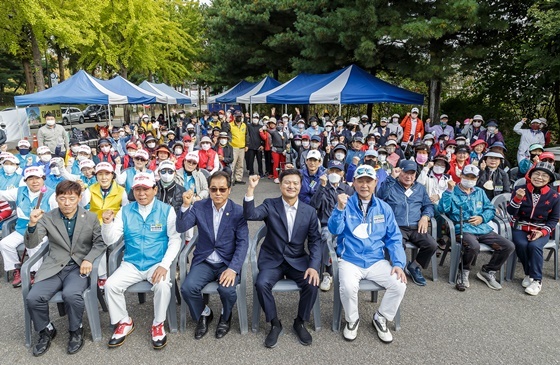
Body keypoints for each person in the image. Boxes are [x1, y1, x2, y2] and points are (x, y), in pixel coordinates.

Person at [24, 180, 106, 356]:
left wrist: (89, 259)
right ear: (56, 198)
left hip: (78, 268)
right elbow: (32, 243)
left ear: (79, 198)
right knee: (33, 297)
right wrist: (31, 224)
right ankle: (46, 329)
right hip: (54, 266)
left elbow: (99, 243)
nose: (67, 203)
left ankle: (76, 330)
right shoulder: (48, 217)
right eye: (62, 199)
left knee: (71, 295)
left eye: (71, 198)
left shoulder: (90, 217)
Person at [102, 172, 181, 350]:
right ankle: (124, 321)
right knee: (110, 285)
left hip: (157, 262)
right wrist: (107, 224)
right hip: (132, 262)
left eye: (146, 189)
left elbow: (175, 239)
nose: (142, 193)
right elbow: (110, 240)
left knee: (162, 285)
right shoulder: (125, 210)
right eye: (137, 189)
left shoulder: (166, 210)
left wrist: (164, 265)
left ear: (154, 189)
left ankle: (158, 323)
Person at [328, 164, 406, 342]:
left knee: (399, 283)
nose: (364, 185)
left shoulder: (384, 208)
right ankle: (352, 319)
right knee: (347, 286)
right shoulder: (345, 204)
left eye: (368, 181)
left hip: (376, 260)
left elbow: (394, 238)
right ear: (353, 182)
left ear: (375, 182)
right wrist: (339, 209)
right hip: (350, 259)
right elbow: (334, 229)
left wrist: (398, 264)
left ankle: (381, 317)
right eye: (360, 181)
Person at [243, 170, 321, 348]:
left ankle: (300, 321)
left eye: (295, 183)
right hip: (272, 260)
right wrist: (250, 190)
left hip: (298, 260)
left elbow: (315, 240)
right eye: (287, 182)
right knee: (261, 284)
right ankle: (275, 323)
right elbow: (250, 215)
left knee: (312, 283)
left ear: (301, 186)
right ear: (280, 184)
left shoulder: (309, 211)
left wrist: (314, 266)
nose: (291, 186)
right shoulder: (270, 204)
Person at [177, 171, 249, 339]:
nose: (217, 193)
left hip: (227, 262)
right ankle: (204, 313)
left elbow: (243, 243)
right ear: (208, 190)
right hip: (205, 261)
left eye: (222, 189)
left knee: (227, 290)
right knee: (187, 288)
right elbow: (181, 227)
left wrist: (233, 268)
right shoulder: (199, 207)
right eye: (213, 189)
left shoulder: (238, 212)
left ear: (229, 190)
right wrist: (186, 206)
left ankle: (226, 315)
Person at [438, 164, 515, 290]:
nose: (469, 179)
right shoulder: (452, 191)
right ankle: (463, 271)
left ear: (477, 178)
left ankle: (488, 271)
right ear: (461, 176)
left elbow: (490, 208)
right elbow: (442, 209)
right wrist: (448, 191)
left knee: (508, 246)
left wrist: (482, 218)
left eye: (473, 178)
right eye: (466, 176)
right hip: (462, 227)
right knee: (473, 246)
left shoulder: (480, 192)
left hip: (482, 228)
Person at [377, 160, 437, 286]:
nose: (409, 176)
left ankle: (414, 266)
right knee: (398, 245)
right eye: (406, 173)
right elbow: (379, 197)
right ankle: (398, 269)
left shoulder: (420, 188)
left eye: (412, 173)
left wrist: (425, 217)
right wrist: (391, 178)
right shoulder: (391, 185)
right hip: (397, 226)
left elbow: (428, 205)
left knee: (431, 244)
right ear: (400, 172)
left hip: (416, 226)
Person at [507, 162, 560, 296]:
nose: (539, 177)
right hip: (520, 226)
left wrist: (541, 232)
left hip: (541, 228)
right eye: (537, 173)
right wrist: (518, 198)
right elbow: (511, 211)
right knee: (522, 244)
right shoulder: (520, 188)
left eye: (544, 175)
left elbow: (554, 219)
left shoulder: (555, 196)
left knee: (535, 246)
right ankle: (528, 273)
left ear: (549, 179)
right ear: (531, 175)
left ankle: (537, 280)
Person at [0, 166, 57, 287]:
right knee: (4, 244)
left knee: (33, 244)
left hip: (41, 231)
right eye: (30, 179)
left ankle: (34, 272)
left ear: (43, 179)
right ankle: (17, 269)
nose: (35, 181)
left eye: (38, 178)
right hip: (21, 230)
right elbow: (2, 195)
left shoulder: (52, 194)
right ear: (25, 181)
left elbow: (57, 215)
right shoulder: (19, 191)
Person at [309, 160, 354, 292]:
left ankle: (347, 271)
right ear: (327, 172)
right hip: (326, 224)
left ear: (342, 173)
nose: (334, 173)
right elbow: (313, 206)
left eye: (337, 171)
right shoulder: (321, 186)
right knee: (328, 237)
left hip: (345, 224)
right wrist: (322, 187)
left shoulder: (348, 189)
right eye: (332, 171)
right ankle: (328, 273)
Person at [230, 110, 247, 185]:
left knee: (240, 164)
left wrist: (247, 145)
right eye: (237, 116)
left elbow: (246, 136)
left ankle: (238, 179)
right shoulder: (230, 125)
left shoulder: (244, 125)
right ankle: (231, 179)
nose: (239, 118)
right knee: (232, 164)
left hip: (242, 147)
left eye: (240, 116)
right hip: (233, 147)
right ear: (234, 117)